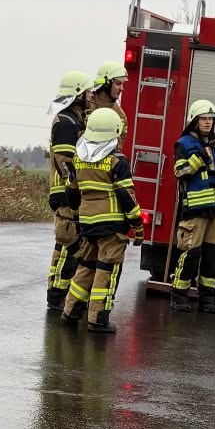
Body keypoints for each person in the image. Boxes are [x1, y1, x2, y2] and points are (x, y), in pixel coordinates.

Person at [61, 107, 143, 334]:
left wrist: (78, 220)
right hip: (113, 226)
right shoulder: (117, 161)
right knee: (108, 269)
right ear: (114, 132)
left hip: (88, 224)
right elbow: (127, 196)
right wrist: (137, 225)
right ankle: (98, 318)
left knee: (87, 265)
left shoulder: (79, 159)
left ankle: (70, 310)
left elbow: (72, 193)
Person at [169, 99, 215, 315]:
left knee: (213, 256)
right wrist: (199, 158)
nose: (208, 122)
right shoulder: (184, 144)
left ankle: (207, 300)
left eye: (211, 119)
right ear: (194, 120)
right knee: (190, 255)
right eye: (204, 118)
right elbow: (179, 171)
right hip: (195, 210)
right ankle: (179, 297)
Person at [44, 69, 92, 314]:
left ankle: (58, 294)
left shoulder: (75, 120)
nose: (90, 95)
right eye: (86, 91)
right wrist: (76, 187)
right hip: (65, 193)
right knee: (69, 243)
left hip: (69, 193)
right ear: (77, 95)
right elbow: (66, 162)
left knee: (64, 247)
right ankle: (57, 296)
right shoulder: (65, 123)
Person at [89, 60, 130, 138]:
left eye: (122, 84)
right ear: (106, 84)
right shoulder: (85, 106)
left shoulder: (120, 116)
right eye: (118, 84)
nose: (122, 89)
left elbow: (118, 147)